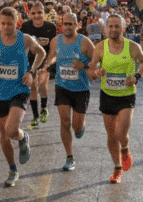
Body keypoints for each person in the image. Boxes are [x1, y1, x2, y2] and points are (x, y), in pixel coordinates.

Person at [0, 6, 46, 187]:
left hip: (20, 89)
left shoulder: (25, 39)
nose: (6, 27)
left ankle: (23, 137)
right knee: (4, 135)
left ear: (17, 23)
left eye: (10, 24)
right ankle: (13, 169)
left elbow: (41, 52)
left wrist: (31, 71)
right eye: (3, 24)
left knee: (11, 129)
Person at [90, 14, 143, 184]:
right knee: (111, 135)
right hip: (107, 95)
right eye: (110, 26)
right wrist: (97, 71)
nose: (113, 29)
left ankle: (125, 148)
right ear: (106, 28)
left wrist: (136, 76)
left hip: (126, 95)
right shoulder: (100, 47)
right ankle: (117, 168)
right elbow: (92, 67)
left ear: (123, 28)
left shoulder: (132, 46)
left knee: (120, 134)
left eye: (117, 26)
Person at [45, 11, 95, 172]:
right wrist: (46, 66)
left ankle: (80, 127)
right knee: (65, 121)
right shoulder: (55, 41)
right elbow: (52, 57)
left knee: (76, 126)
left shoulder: (85, 42)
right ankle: (69, 157)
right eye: (65, 24)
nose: (67, 27)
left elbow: (97, 63)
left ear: (76, 25)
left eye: (70, 24)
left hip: (81, 88)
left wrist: (84, 66)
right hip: (62, 86)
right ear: (61, 25)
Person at [20, 3, 57, 129]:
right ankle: (35, 116)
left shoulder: (50, 27)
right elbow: (22, 45)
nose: (37, 16)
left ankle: (44, 107)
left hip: (45, 60)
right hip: (30, 60)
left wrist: (47, 64)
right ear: (30, 14)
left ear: (44, 14)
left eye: (39, 13)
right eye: (34, 13)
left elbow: (53, 49)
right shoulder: (25, 26)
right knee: (33, 88)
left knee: (42, 83)